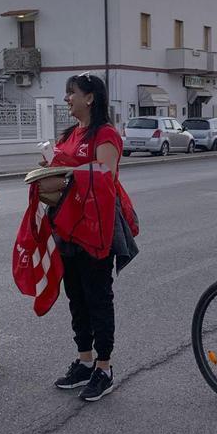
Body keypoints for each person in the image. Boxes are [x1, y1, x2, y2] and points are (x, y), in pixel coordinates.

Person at [49, 73, 134, 403]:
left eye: (73, 93)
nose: (67, 98)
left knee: (98, 296)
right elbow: (61, 174)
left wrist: (68, 169)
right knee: (75, 296)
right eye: (67, 93)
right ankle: (84, 360)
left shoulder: (105, 134)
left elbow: (105, 176)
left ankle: (104, 367)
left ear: (91, 98)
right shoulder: (71, 134)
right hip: (67, 225)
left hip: (96, 226)